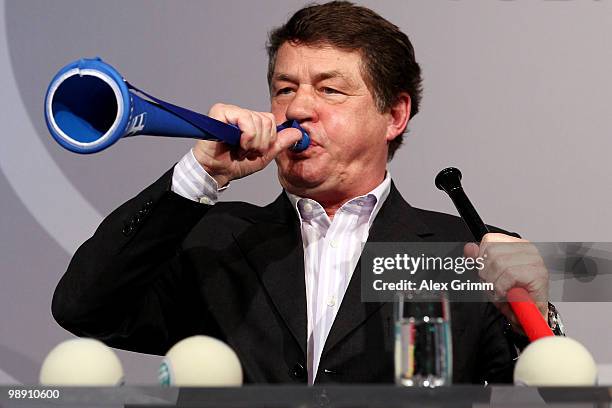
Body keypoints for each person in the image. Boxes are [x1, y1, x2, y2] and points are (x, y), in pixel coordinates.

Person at [52, 1, 563, 384]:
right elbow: (83, 308)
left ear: (395, 114)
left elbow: (543, 396)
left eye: (329, 89)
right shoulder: (214, 239)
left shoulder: (463, 253)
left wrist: (535, 316)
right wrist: (200, 171)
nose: (297, 109)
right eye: (285, 88)